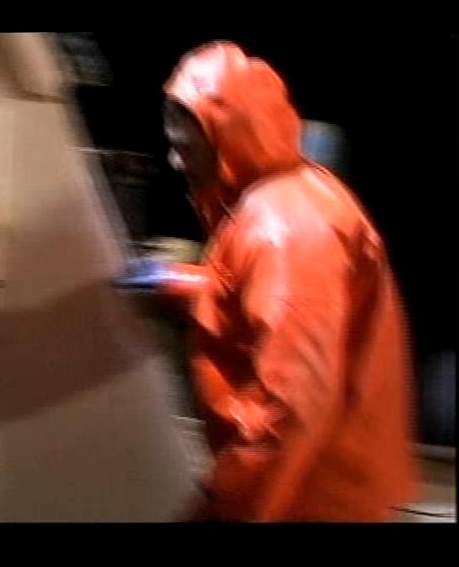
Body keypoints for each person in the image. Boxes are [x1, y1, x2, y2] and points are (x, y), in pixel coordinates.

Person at [118, 42, 419, 521]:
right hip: (310, 488)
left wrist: (226, 508)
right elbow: (270, 304)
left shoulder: (285, 226)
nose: (175, 162)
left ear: (226, 136)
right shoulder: (281, 202)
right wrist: (177, 282)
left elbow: (290, 407)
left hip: (308, 499)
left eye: (184, 147)